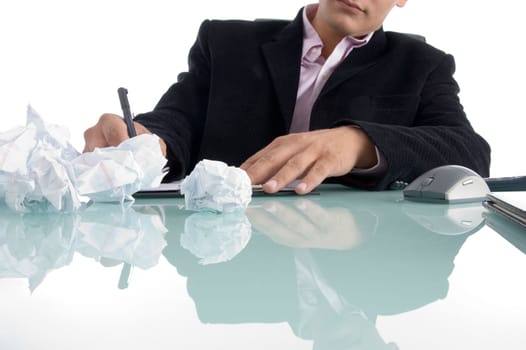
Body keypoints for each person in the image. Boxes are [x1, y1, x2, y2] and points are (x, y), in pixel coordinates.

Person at [83, 0, 491, 194]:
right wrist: (145, 140)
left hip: (358, 253)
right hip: (229, 251)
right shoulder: (225, 41)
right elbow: (180, 118)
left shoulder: (422, 63)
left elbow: (470, 153)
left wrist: (361, 142)